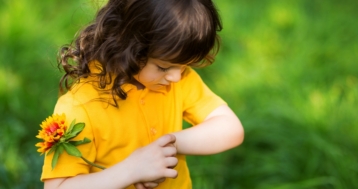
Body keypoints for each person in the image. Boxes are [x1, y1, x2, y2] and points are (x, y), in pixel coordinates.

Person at [40, 0, 244, 188]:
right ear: (127, 47)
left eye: (183, 66)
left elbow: (230, 128)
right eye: (163, 67)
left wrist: (167, 145)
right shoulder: (80, 106)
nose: (175, 76)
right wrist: (131, 170)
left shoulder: (180, 78)